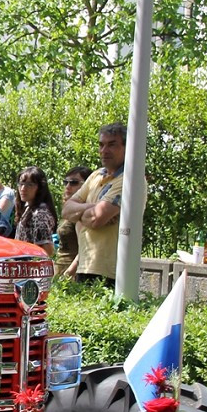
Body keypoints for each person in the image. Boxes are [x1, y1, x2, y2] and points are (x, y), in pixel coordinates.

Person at [61, 122, 132, 288]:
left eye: (112, 145)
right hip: (85, 266)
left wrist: (84, 211)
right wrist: (94, 206)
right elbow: (66, 210)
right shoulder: (95, 176)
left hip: (111, 272)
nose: (104, 150)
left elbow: (96, 219)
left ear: (126, 147)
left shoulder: (129, 180)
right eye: (101, 145)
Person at [56, 167, 92, 275]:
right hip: (60, 269)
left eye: (74, 183)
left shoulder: (83, 212)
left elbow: (85, 248)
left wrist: (69, 273)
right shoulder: (70, 211)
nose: (68, 186)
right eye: (65, 182)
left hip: (73, 274)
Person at [13, 167, 57, 257]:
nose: (23, 188)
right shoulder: (28, 208)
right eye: (21, 183)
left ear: (40, 188)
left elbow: (47, 250)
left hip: (33, 267)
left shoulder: (40, 214)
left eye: (30, 185)